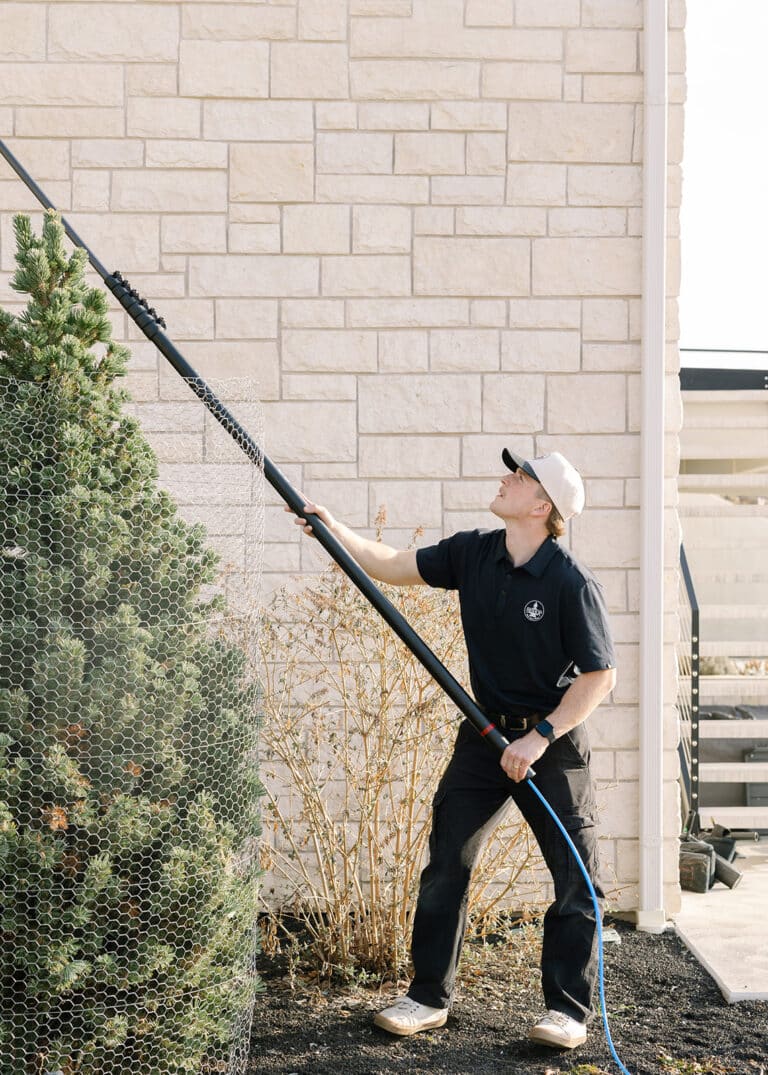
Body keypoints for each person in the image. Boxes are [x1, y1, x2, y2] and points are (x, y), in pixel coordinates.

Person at [289, 447, 616, 1052]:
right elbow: (389, 563)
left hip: (552, 741)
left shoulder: (570, 583)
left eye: (519, 477)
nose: (505, 478)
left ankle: (567, 1011)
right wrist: (332, 530)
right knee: (447, 865)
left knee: (577, 880)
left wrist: (539, 738)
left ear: (542, 506)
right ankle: (427, 997)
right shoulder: (475, 551)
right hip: (482, 734)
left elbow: (600, 678)